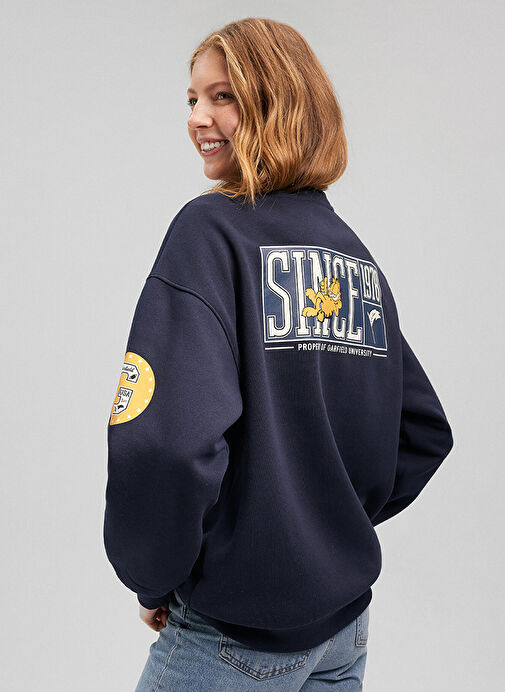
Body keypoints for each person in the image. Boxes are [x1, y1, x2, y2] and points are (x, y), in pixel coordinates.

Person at [103, 17, 454, 690]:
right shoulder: (350, 257)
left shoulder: (210, 232)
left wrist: (153, 576)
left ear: (279, 103)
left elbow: (164, 443)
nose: (197, 117)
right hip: (342, 634)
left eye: (222, 96)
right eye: (192, 99)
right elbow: (422, 431)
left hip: (235, 634)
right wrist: (317, 530)